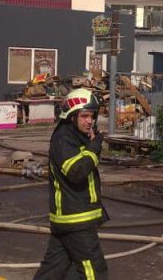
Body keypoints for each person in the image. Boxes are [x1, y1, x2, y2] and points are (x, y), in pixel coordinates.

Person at [34, 88, 108, 280]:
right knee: (94, 271)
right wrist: (94, 148)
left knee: (54, 270)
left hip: (71, 219)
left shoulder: (77, 137)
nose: (89, 121)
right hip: (76, 220)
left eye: (92, 116)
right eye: (84, 116)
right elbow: (76, 171)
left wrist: (91, 146)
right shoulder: (64, 139)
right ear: (71, 116)